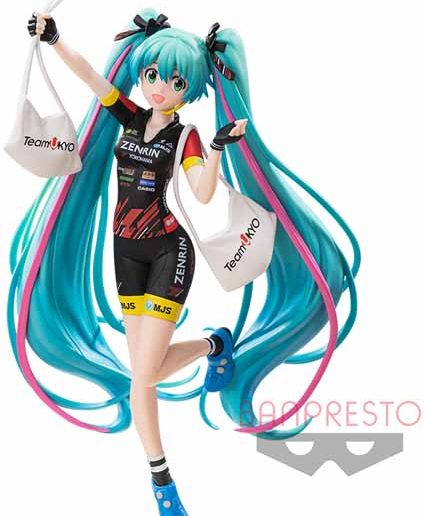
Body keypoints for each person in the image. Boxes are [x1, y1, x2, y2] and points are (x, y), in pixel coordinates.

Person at [10, 7, 359, 515]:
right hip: (124, 253)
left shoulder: (185, 137)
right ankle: (214, 344)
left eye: (175, 82)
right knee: (144, 374)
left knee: (142, 378)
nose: (160, 88)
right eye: (153, 75)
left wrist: (215, 147)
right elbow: (88, 75)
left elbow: (202, 191)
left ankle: (162, 483)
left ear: (188, 89)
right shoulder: (129, 115)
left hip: (167, 253)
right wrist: (55, 38)